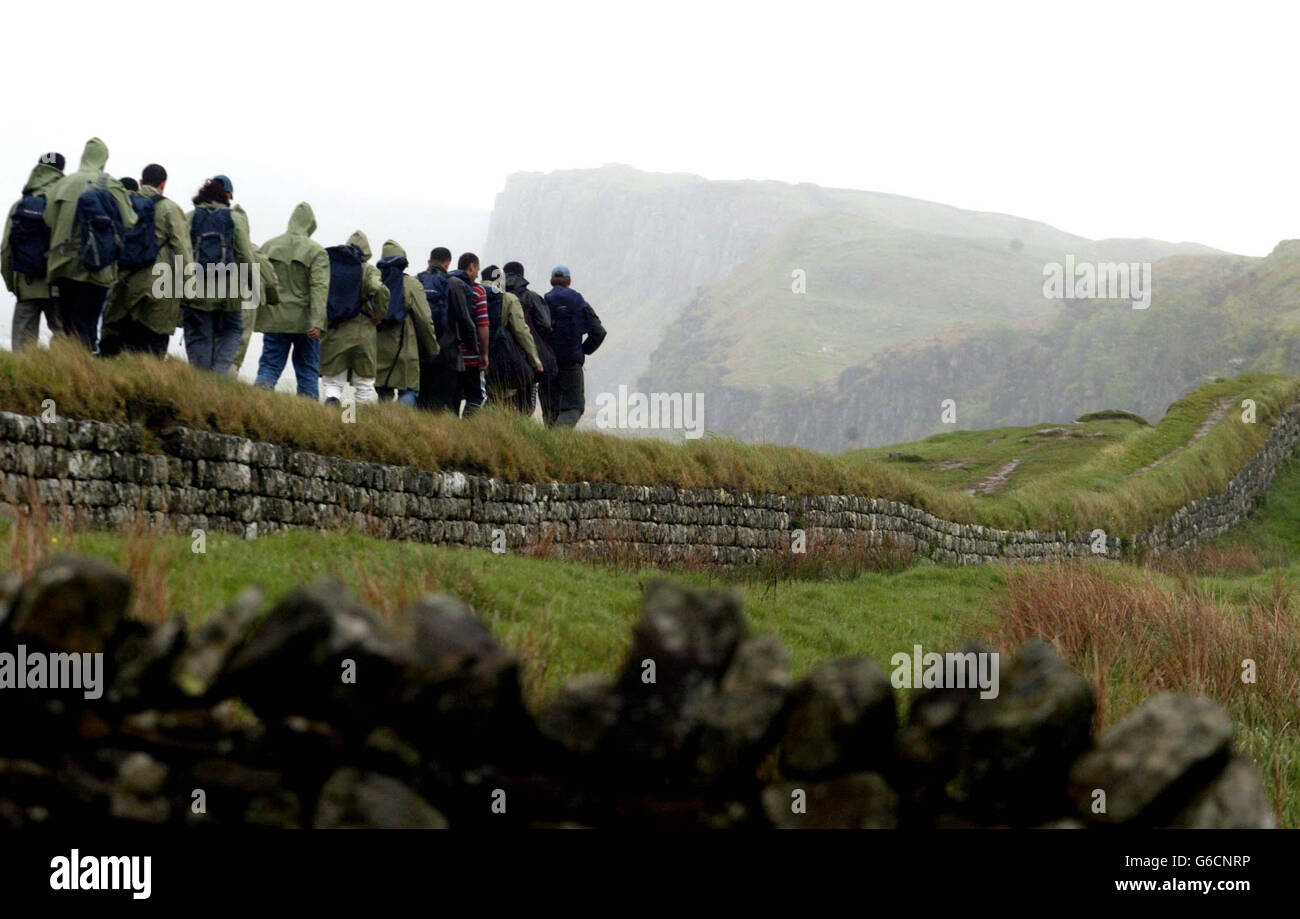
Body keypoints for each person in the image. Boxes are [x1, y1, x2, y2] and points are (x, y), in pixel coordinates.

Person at [41, 138, 137, 351]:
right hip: (95, 266)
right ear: (103, 158)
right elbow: (130, 220)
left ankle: (63, 372)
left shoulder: (62, 183)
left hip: (62, 264)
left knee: (66, 325)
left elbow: (47, 218)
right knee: (86, 324)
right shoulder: (110, 183)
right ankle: (82, 373)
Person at [100, 163, 192, 358]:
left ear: (141, 182)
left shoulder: (126, 202)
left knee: (121, 345)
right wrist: (189, 289)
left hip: (125, 282)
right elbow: (183, 250)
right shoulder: (170, 208)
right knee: (153, 347)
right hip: (160, 285)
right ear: (163, 184)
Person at [183, 175, 253, 373]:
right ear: (228, 195)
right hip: (228, 291)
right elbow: (246, 255)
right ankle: (219, 376)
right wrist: (254, 284)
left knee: (199, 334)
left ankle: (200, 381)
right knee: (233, 329)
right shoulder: (235, 218)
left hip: (195, 289)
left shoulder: (190, 217)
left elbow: (180, 250)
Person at [257, 202, 327, 397]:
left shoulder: (269, 246)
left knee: (269, 366)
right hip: (305, 322)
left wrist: (258, 315)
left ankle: (258, 406)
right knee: (307, 371)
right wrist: (318, 321)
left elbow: (258, 281)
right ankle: (308, 417)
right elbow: (319, 288)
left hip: (275, 318)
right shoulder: (317, 251)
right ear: (311, 225)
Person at [2, 152, 65, 350]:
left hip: (26, 283)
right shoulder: (65, 204)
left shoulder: (20, 206)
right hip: (58, 285)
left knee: (22, 350)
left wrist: (14, 285)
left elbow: (5, 250)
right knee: (65, 343)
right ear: (61, 171)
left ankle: (22, 381)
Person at [320, 230, 386, 405]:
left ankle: (331, 419)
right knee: (363, 384)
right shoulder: (369, 269)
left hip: (335, 330)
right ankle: (355, 423)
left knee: (333, 384)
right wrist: (379, 314)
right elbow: (378, 289)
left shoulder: (332, 267)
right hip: (364, 333)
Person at [373, 240, 438, 404]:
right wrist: (432, 348)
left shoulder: (374, 282)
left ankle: (379, 426)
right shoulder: (411, 284)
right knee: (408, 390)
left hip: (377, 349)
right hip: (404, 350)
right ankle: (401, 425)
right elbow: (424, 319)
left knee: (383, 391)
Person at [416, 247, 479, 414]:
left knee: (423, 403)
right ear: (448, 263)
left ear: (429, 261)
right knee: (448, 405)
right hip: (449, 354)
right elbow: (465, 321)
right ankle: (445, 438)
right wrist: (474, 349)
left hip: (422, 353)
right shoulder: (455, 284)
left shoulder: (418, 281)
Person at [542, 265, 606, 427]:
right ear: (569, 281)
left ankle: (549, 446)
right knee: (573, 407)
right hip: (571, 364)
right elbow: (598, 332)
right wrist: (583, 350)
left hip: (547, 365)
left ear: (551, 281)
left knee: (550, 410)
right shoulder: (579, 302)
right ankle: (558, 439)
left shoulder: (543, 302)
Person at [481, 264, 543, 412]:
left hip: (472, 353)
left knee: (482, 395)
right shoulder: (508, 298)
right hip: (499, 355)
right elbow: (521, 332)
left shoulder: (472, 293)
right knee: (505, 393)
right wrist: (535, 360)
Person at [503, 261, 556, 416]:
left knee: (501, 396)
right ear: (522, 275)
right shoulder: (532, 297)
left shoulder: (495, 297)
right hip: (527, 357)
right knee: (526, 400)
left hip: (499, 355)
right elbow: (546, 325)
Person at [227, 241, 279, 378]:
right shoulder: (251, 249)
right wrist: (272, 298)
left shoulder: (202, 242)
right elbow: (270, 279)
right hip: (242, 302)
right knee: (234, 351)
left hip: (206, 300)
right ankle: (224, 387)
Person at [448, 253, 489, 416]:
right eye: (477, 269)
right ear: (471, 267)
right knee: (476, 397)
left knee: (452, 397)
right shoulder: (478, 291)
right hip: (471, 357)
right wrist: (484, 353)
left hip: (449, 355)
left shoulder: (446, 285)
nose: (478, 273)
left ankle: (450, 431)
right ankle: (467, 428)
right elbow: (483, 325)